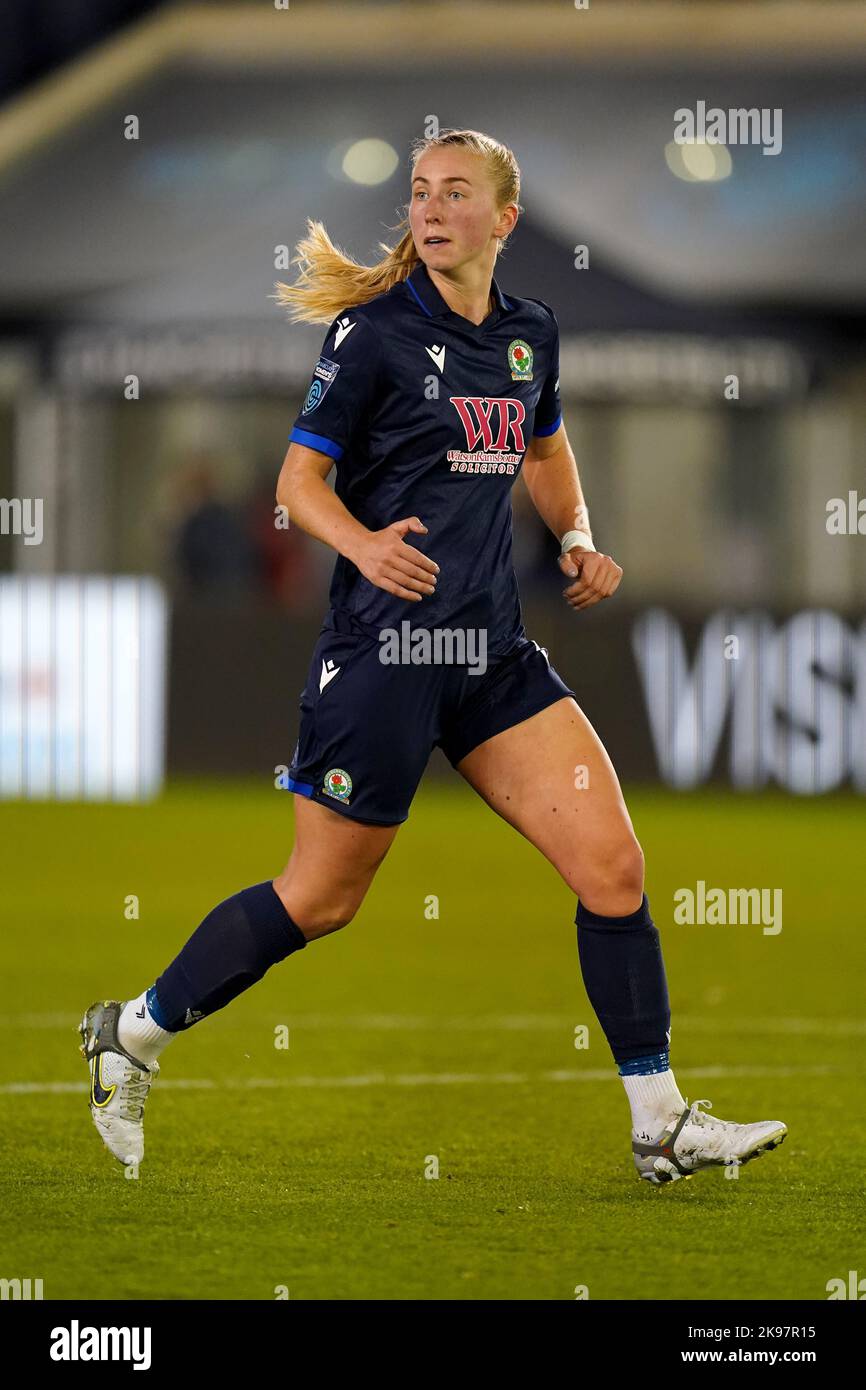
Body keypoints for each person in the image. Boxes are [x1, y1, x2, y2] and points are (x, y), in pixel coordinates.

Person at [80, 129, 786, 1185]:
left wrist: (578, 536)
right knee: (321, 898)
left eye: (454, 192)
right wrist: (362, 543)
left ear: (504, 220)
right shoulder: (367, 336)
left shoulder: (529, 333)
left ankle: (658, 1121)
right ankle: (131, 1032)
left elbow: (543, 450)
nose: (430, 207)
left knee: (613, 868)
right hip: (383, 651)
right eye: (419, 192)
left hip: (489, 654)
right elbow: (296, 487)